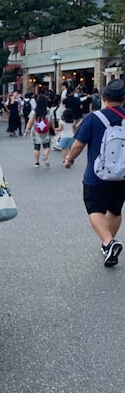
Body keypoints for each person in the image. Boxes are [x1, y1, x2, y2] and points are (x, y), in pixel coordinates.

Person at [63, 79, 125, 267]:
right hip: (122, 175)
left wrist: (69, 159)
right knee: (115, 210)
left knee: (95, 209)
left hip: (96, 175)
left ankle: (108, 242)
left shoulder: (94, 118)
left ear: (104, 98)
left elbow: (78, 145)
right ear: (123, 99)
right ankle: (108, 245)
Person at [24, 93, 53, 168]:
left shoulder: (34, 111)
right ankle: (45, 155)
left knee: (36, 147)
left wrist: (26, 131)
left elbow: (30, 122)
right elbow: (51, 121)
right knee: (46, 145)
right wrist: (53, 128)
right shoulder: (48, 110)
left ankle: (37, 162)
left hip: (36, 131)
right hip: (46, 131)